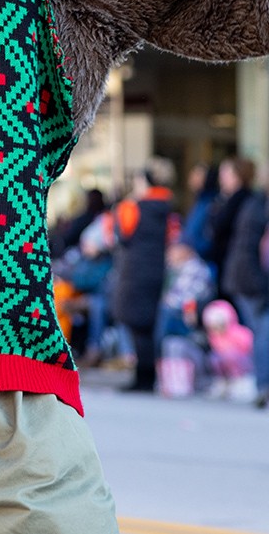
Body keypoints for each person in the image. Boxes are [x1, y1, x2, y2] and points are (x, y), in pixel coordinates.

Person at [114, 159, 176, 392]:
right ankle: (148, 375)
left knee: (135, 323)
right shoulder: (166, 206)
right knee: (147, 325)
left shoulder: (134, 207)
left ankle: (143, 378)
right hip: (156, 270)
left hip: (135, 271)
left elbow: (122, 236)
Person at [219, 163, 269, 406]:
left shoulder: (251, 204)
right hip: (251, 279)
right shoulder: (260, 207)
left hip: (243, 276)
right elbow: (257, 249)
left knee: (262, 331)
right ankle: (264, 385)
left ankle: (263, 384)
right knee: (266, 331)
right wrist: (263, 284)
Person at [181, 163, 220, 263]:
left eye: (197, 174)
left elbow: (209, 238)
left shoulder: (212, 204)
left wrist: (192, 251)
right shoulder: (199, 202)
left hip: (203, 262)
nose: (192, 178)